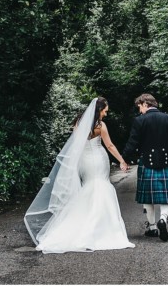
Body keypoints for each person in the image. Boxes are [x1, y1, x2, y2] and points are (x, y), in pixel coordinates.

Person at [24, 97, 135, 254]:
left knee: (89, 188)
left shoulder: (79, 124)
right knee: (100, 187)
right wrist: (122, 161)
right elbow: (109, 145)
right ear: (98, 110)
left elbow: (76, 145)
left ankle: (82, 225)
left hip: (84, 160)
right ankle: (99, 229)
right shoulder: (100, 125)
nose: (106, 113)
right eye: (105, 110)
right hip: (97, 159)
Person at [121, 93, 168, 242]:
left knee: (147, 197)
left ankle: (153, 228)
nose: (139, 111)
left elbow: (132, 142)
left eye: (140, 107)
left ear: (145, 104)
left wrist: (124, 159)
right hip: (165, 162)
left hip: (146, 163)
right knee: (166, 195)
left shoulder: (139, 120)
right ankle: (163, 218)